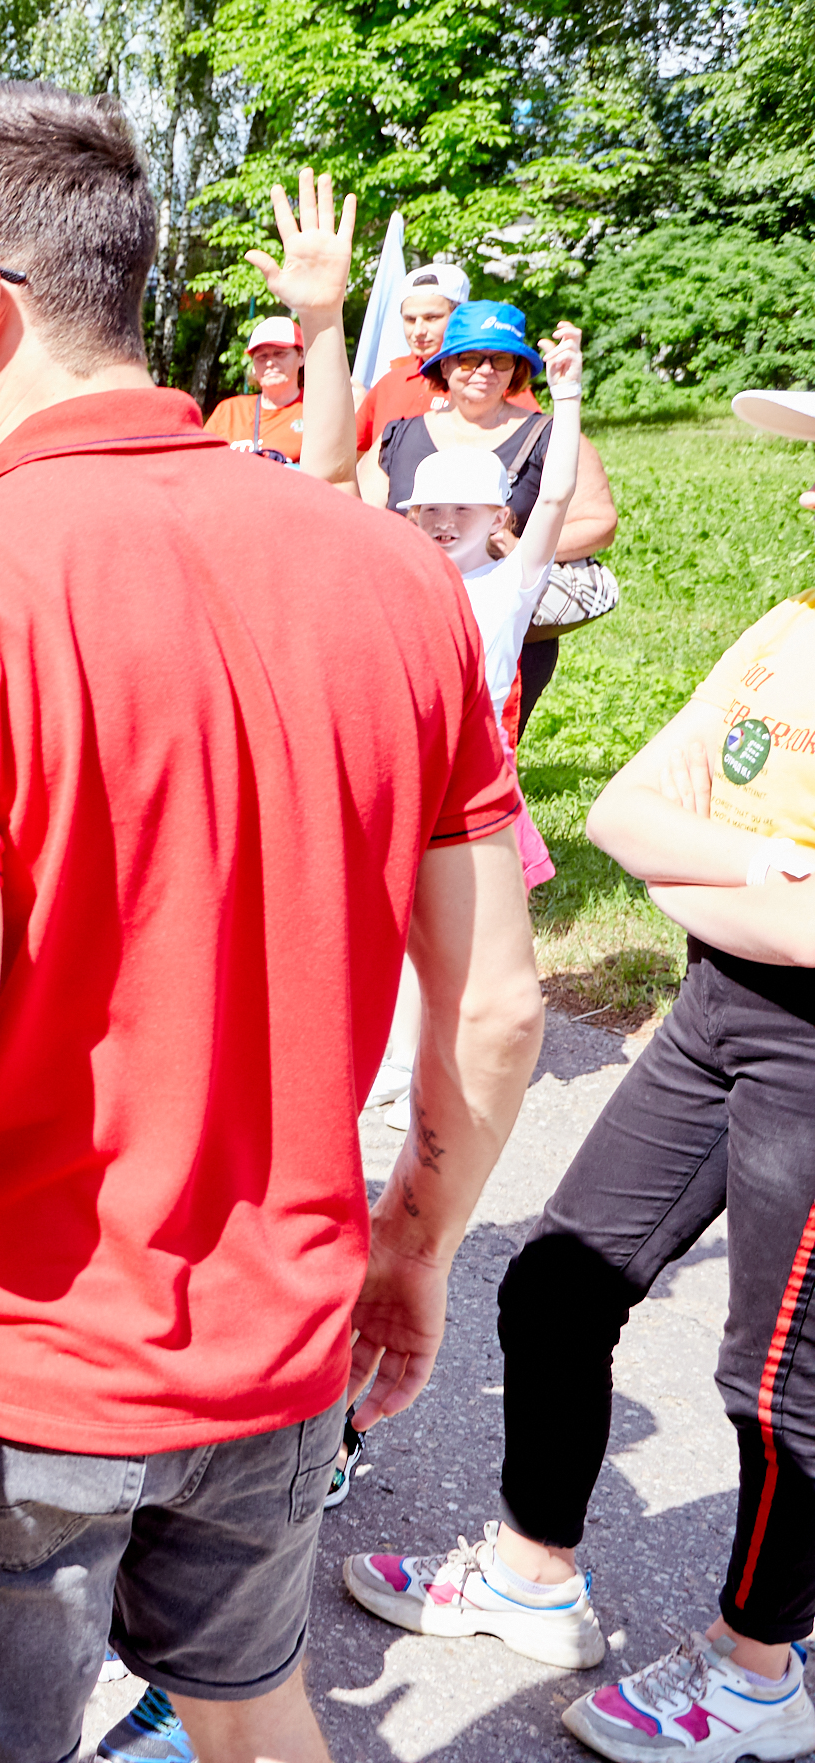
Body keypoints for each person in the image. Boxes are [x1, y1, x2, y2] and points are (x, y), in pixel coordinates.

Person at [0, 79, 544, 1763]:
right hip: (279, 1339)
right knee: (250, 1712)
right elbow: (499, 1006)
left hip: (9, 1364)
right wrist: (412, 1248)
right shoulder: (392, 575)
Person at [340, 425, 815, 1763]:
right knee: (555, 1285)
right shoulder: (793, 623)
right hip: (720, 1004)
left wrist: (741, 876)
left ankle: (757, 1672)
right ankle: (533, 1574)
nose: (806, 486)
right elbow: (625, 816)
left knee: (782, 1388)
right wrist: (764, 881)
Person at [360, 298, 618, 731]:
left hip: (502, 623)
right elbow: (359, 520)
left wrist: (522, 553)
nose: (483, 370)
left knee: (485, 737)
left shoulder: (546, 435)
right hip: (408, 613)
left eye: (499, 359)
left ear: (516, 369)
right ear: (444, 367)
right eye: (468, 359)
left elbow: (596, 520)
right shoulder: (399, 435)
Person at [351, 261, 536, 452]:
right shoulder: (389, 383)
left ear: (459, 317)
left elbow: (534, 450)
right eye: (410, 319)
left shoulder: (492, 381)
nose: (419, 331)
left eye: (432, 318)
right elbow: (352, 458)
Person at [204, 315, 307, 460]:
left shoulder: (317, 413)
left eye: (280, 353)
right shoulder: (229, 411)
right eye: (262, 356)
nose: (270, 362)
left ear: (301, 357)